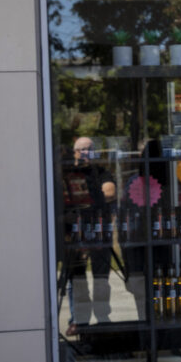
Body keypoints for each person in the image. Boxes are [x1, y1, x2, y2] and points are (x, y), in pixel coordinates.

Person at [63, 136, 116, 332]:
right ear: (74, 152)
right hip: (74, 233)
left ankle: (102, 317)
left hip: (99, 231)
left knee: (101, 278)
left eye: (89, 149)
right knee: (76, 279)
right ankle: (78, 319)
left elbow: (110, 192)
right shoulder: (68, 174)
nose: (86, 153)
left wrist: (83, 196)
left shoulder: (101, 172)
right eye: (82, 149)